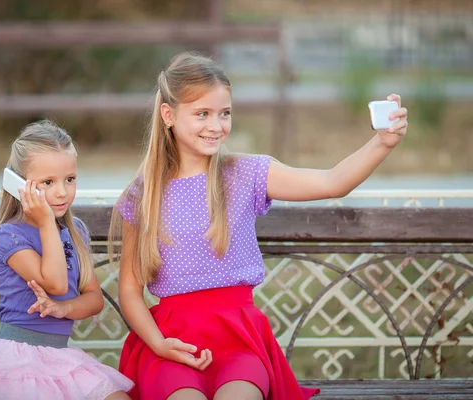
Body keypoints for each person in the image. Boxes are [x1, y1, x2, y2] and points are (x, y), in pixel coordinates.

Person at [109, 52, 408, 400]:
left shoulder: (245, 174)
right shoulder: (143, 194)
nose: (215, 125)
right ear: (169, 115)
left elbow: (332, 182)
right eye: (202, 113)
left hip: (239, 341)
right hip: (172, 344)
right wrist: (159, 344)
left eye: (224, 113)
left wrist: (381, 143)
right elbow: (130, 291)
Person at [0, 120, 134, 400]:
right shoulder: (9, 236)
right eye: (47, 182)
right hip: (17, 360)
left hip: (60, 357)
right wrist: (46, 223)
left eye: (69, 179)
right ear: (19, 185)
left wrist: (63, 308)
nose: (61, 192)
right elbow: (54, 282)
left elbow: (93, 299)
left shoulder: (75, 231)